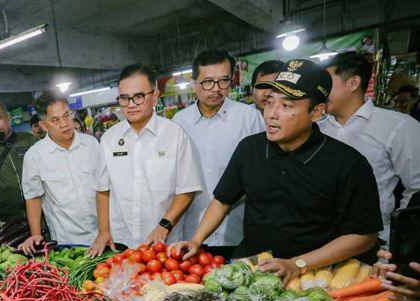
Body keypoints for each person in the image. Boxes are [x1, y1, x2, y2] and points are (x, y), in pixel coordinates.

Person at [170, 59, 383, 286]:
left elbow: (363, 236)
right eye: (270, 102)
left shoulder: (347, 163)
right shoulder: (250, 148)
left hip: (315, 277)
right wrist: (196, 239)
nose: (271, 114)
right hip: (253, 269)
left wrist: (298, 264)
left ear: (317, 112)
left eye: (286, 106)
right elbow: (222, 200)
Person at [88, 64, 203, 257]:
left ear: (155, 96)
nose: (131, 104)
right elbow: (102, 189)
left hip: (162, 243)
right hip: (121, 242)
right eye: (124, 98)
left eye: (138, 96)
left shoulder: (174, 135)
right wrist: (104, 231)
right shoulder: (109, 139)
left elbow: (186, 189)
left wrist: (164, 225)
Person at [319, 52, 420, 242]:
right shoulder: (317, 128)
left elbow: (416, 188)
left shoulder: (398, 126)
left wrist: (396, 234)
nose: (320, 92)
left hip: (375, 239)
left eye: (327, 84)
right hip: (321, 240)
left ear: (353, 83)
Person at [172, 50, 264, 249]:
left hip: (237, 230)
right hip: (191, 231)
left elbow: (261, 173)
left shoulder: (249, 118)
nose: (216, 89)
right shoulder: (179, 122)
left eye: (223, 81)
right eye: (208, 82)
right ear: (194, 83)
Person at [19, 91, 101, 254]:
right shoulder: (35, 156)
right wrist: (35, 235)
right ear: (43, 125)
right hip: (68, 242)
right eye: (55, 120)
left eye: (67, 116)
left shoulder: (92, 144)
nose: (64, 124)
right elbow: (33, 198)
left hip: (105, 234)